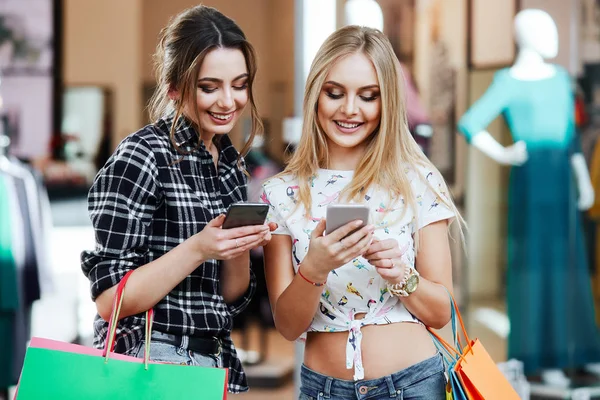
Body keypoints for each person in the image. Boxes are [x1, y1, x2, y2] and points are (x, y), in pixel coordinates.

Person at [260, 26, 464, 400]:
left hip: (414, 384)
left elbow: (441, 312)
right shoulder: (282, 194)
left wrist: (402, 274)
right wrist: (314, 269)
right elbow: (288, 326)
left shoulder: (417, 180)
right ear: (314, 95)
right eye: (334, 93)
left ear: (387, 101)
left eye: (368, 96)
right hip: (324, 390)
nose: (349, 109)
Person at [81, 5, 275, 394]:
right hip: (151, 364)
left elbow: (227, 296)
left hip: (213, 364)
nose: (228, 101)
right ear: (173, 87)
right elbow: (110, 300)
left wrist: (238, 245)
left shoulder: (231, 167)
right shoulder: (142, 155)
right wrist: (200, 247)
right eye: (209, 87)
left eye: (239, 84)